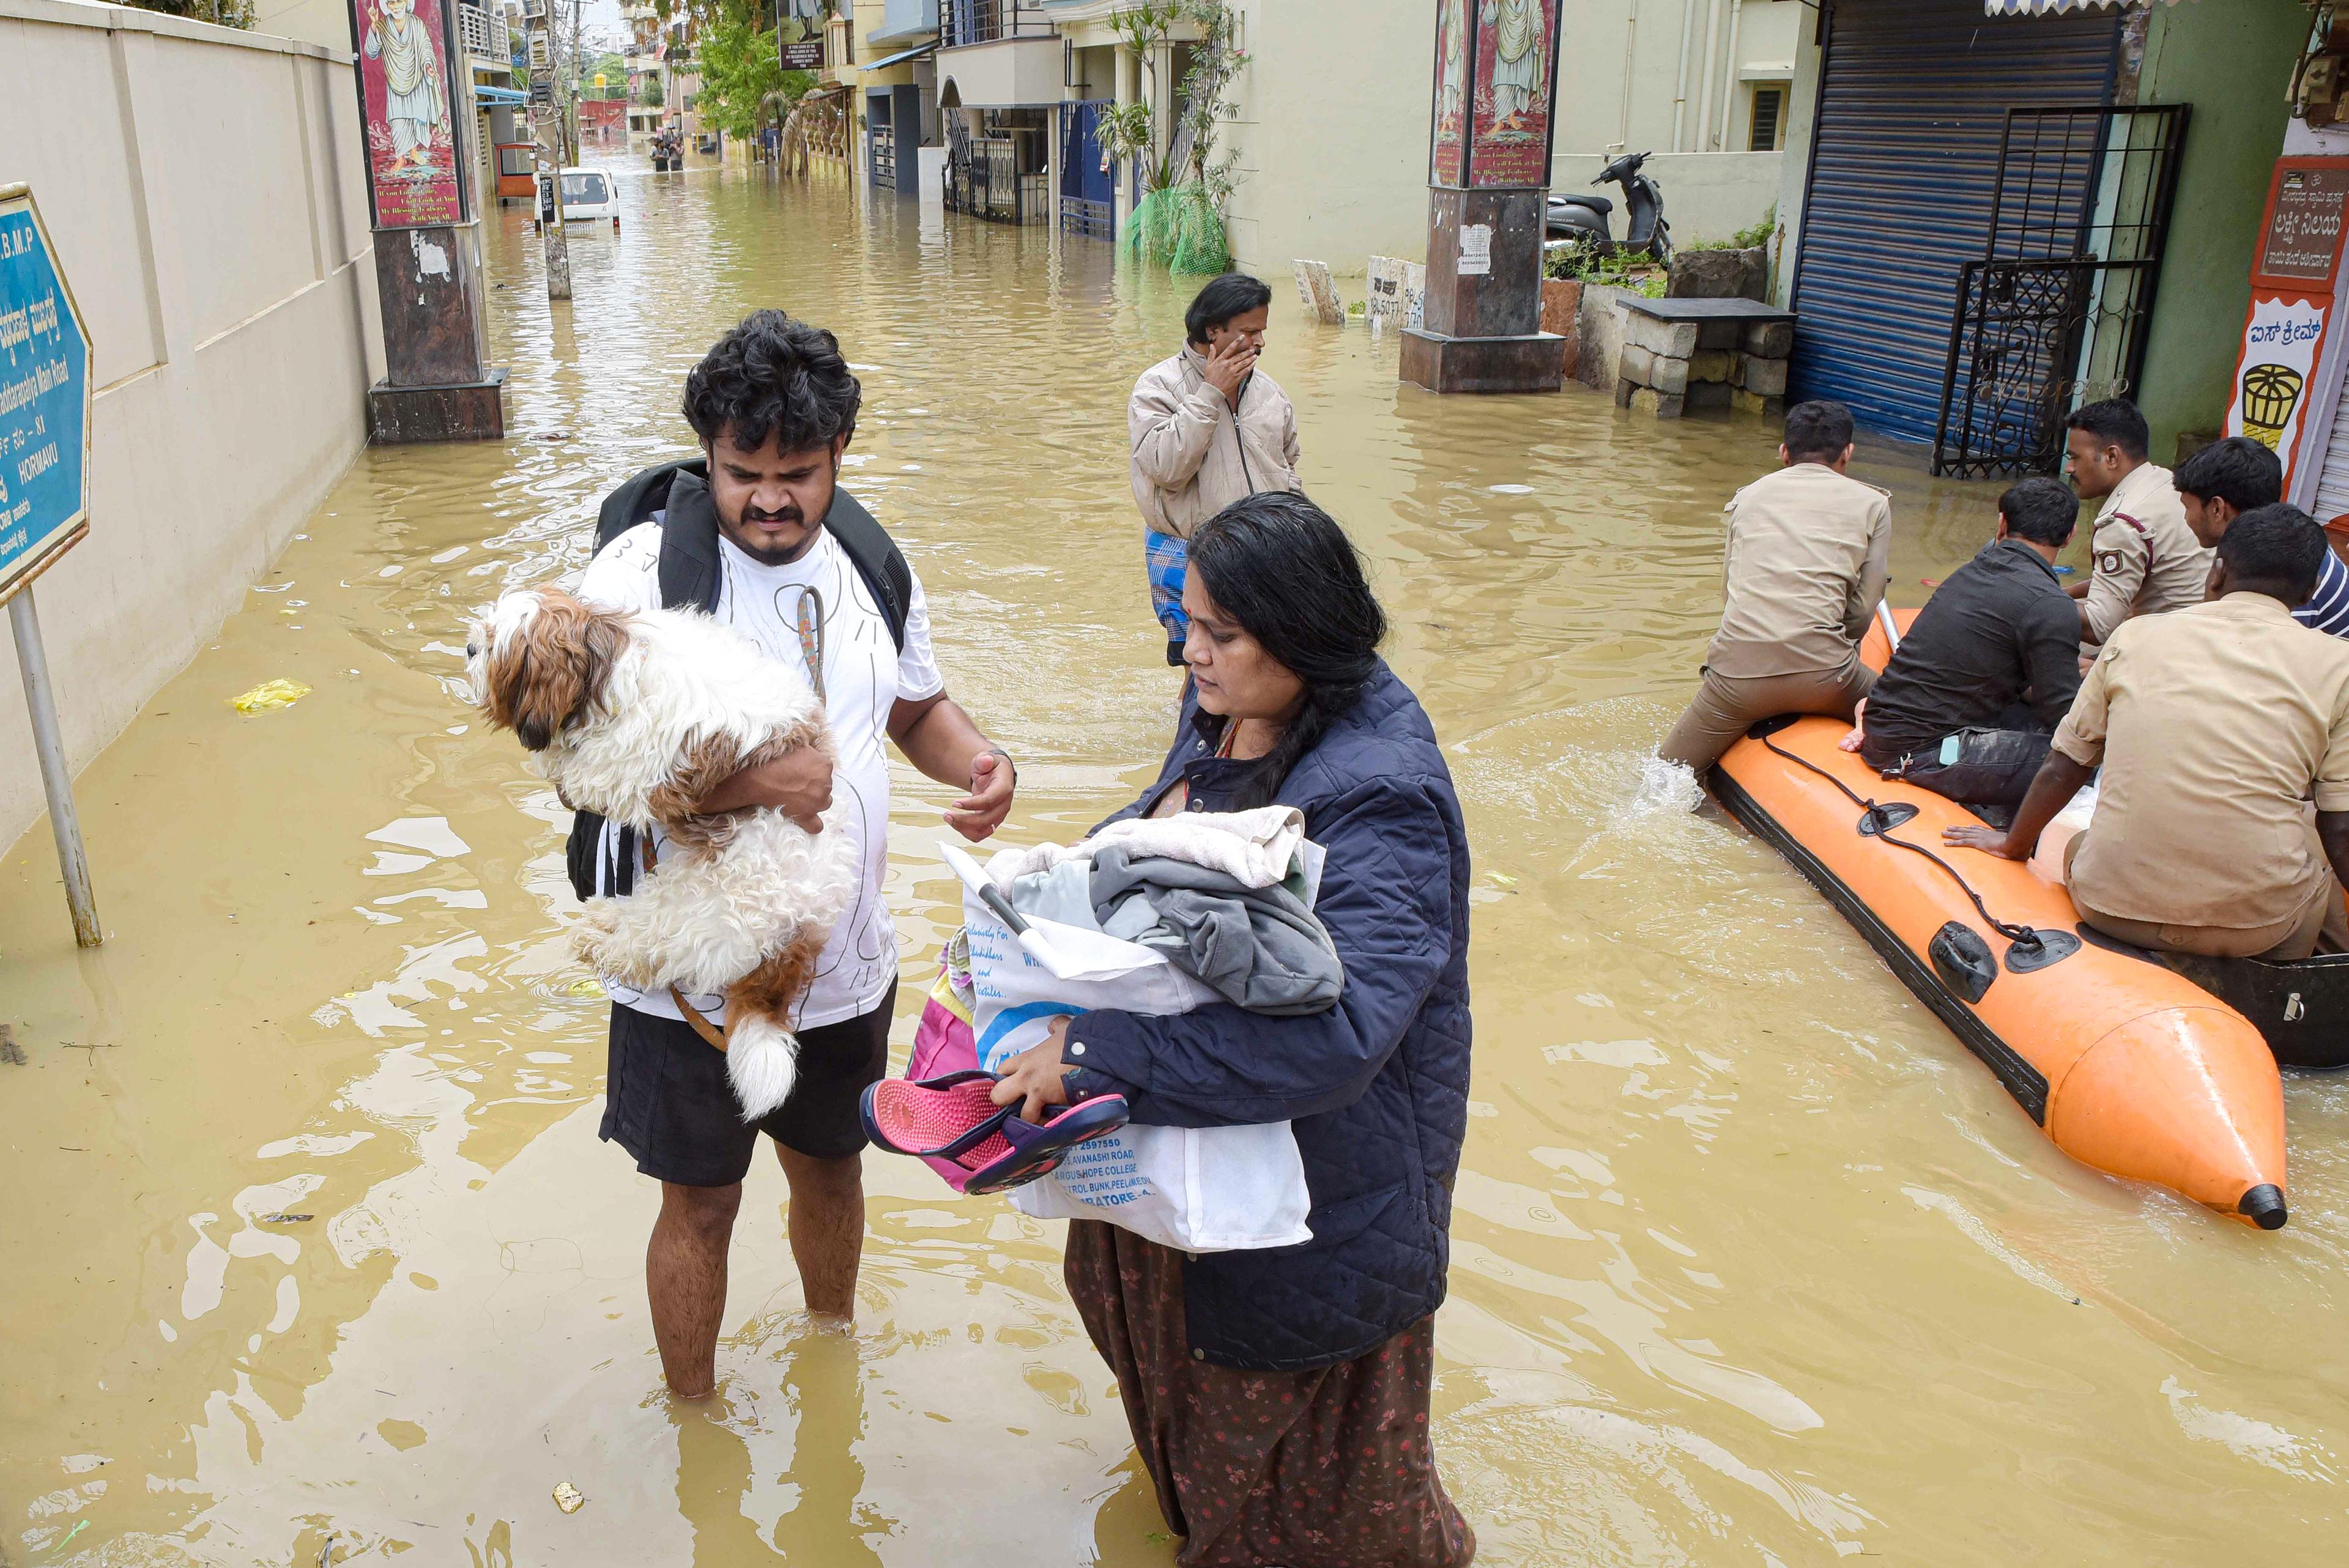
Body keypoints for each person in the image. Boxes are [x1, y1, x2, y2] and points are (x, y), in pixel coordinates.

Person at [989, 492, 1475, 1568]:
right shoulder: (1228, 706)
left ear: (1302, 635)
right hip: (1196, 1150)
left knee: (1330, 1513)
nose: (1190, 652)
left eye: (1220, 632)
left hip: (1320, 1199)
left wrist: (1096, 1053)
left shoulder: (1382, 794)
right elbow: (1172, 831)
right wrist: (1048, 894)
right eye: (1187, 621)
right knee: (1200, 1453)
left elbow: (1345, 1035)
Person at [576, 311, 1018, 1398]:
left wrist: (979, 760)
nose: (769, 497)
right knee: (700, 1201)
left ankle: (833, 1362)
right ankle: (694, 1414)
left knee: (832, 1168)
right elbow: (571, 766)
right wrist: (746, 784)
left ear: (838, 458)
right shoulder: (638, 575)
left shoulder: (871, 556)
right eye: (742, 472)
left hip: (841, 961)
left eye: (798, 473)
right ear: (708, 456)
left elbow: (914, 708)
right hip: (689, 972)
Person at [1947, 506, 2349, 962]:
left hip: (2108, 907)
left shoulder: (2134, 636)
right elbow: (2340, 825)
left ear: (2216, 575)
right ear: (2312, 589)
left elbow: (2065, 765)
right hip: (2255, 928)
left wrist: (2012, 843)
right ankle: (2315, 981)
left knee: (2080, 845)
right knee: (2316, 861)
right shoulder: (2340, 665)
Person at [1658, 399, 1891, 772]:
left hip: (1736, 680)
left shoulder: (1747, 496)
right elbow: (1865, 607)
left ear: (1784, 453)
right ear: (1848, 454)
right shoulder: (1874, 504)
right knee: (1909, 711)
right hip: (1831, 677)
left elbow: (1729, 592)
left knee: (1667, 773)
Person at [1841, 476, 2081, 811]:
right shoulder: (2051, 606)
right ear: (2070, 536)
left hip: (1884, 728)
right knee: (2080, 754)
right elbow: (2066, 719)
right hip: (1930, 754)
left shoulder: (1970, 573)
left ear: (2002, 524)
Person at [1130, 272, 1303, 665]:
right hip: (1194, 556)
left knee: (1265, 662)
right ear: (1213, 331)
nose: (1260, 342)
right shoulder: (1158, 387)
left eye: (1262, 331)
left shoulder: (1270, 393)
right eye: (1249, 332)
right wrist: (1210, 394)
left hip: (1265, 553)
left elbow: (1289, 464)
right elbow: (1165, 468)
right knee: (1203, 669)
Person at [2064, 398, 2208, 649]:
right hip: (2202, 631)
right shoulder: (2164, 482)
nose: (2069, 468)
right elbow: (2128, 575)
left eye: (2075, 458)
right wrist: (2065, 594)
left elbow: (2099, 626)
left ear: (2111, 457)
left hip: (2170, 647)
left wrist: (2032, 600)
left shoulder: (2123, 522)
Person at [2174, 435, 2349, 637]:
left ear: (2217, 509)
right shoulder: (2277, 541)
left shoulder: (2281, 571)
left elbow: (2261, 652)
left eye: (2187, 507)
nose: (2186, 518)